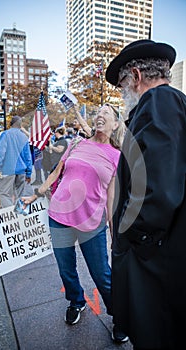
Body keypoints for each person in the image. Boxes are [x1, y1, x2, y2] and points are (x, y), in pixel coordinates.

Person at [21, 104, 127, 342]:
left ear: (116, 124)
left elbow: (111, 198)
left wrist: (113, 231)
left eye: (106, 113)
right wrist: (36, 194)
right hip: (59, 215)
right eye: (98, 112)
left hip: (92, 223)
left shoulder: (117, 156)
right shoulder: (76, 144)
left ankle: (119, 316)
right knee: (65, 268)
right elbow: (56, 172)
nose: (100, 115)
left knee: (101, 274)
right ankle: (76, 300)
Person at [105, 39, 186, 350]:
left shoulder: (158, 103)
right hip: (163, 252)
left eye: (123, 82)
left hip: (155, 259)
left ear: (136, 76)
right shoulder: (172, 102)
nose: (123, 91)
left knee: (156, 332)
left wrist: (129, 235)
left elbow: (156, 189)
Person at [0, 115, 33, 208]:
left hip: (8, 169)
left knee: (4, 194)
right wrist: (28, 173)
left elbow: (1, 152)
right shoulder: (24, 136)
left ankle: (11, 215)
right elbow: (28, 157)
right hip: (22, 170)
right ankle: (18, 215)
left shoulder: (5, 134)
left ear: (10, 124)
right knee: (20, 194)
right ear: (20, 125)